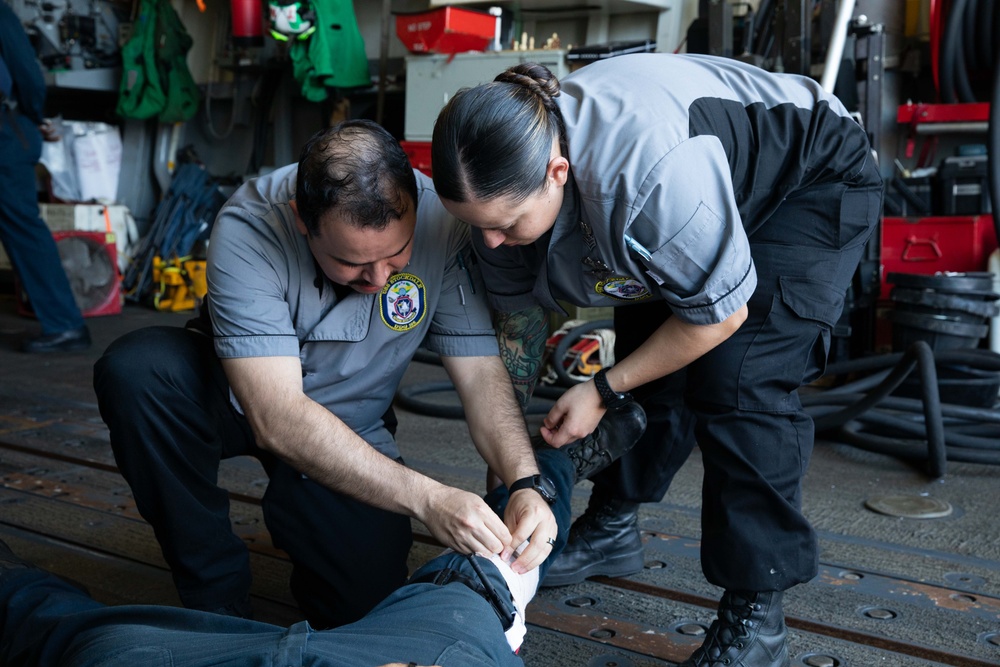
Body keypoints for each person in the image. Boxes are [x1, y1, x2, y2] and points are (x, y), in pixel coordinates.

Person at [430, 53, 884, 667]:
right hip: (694, 192)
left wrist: (603, 388)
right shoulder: (499, 204)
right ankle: (614, 524)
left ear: (556, 172)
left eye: (506, 225)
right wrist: (516, 483)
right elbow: (517, 340)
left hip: (808, 179)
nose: (491, 241)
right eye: (478, 226)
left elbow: (720, 317)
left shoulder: (642, 180)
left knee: (741, 379)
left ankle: (758, 615)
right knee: (656, 351)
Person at [93, 119, 565, 630]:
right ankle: (214, 594)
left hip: (349, 424)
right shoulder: (250, 226)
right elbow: (276, 416)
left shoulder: (441, 220)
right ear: (302, 219)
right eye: (350, 262)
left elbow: (479, 374)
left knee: (363, 607)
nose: (379, 279)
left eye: (396, 257)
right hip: (240, 397)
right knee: (138, 372)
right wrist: (429, 498)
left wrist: (526, 481)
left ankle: (305, 519)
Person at [0, 404, 646, 667]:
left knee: (88, 641)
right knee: (501, 554)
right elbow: (277, 410)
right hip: (427, 641)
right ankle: (557, 462)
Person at [0, 1, 90, 353]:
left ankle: (66, 325)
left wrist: (35, 115)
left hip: (7, 133)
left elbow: (26, 73)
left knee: (22, 226)